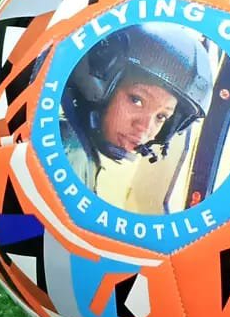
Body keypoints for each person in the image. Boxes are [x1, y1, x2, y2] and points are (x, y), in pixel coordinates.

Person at [59, 23, 213, 211]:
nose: (144, 127)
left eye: (161, 116)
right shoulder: (69, 152)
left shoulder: (80, 151)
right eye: (137, 100)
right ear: (100, 84)